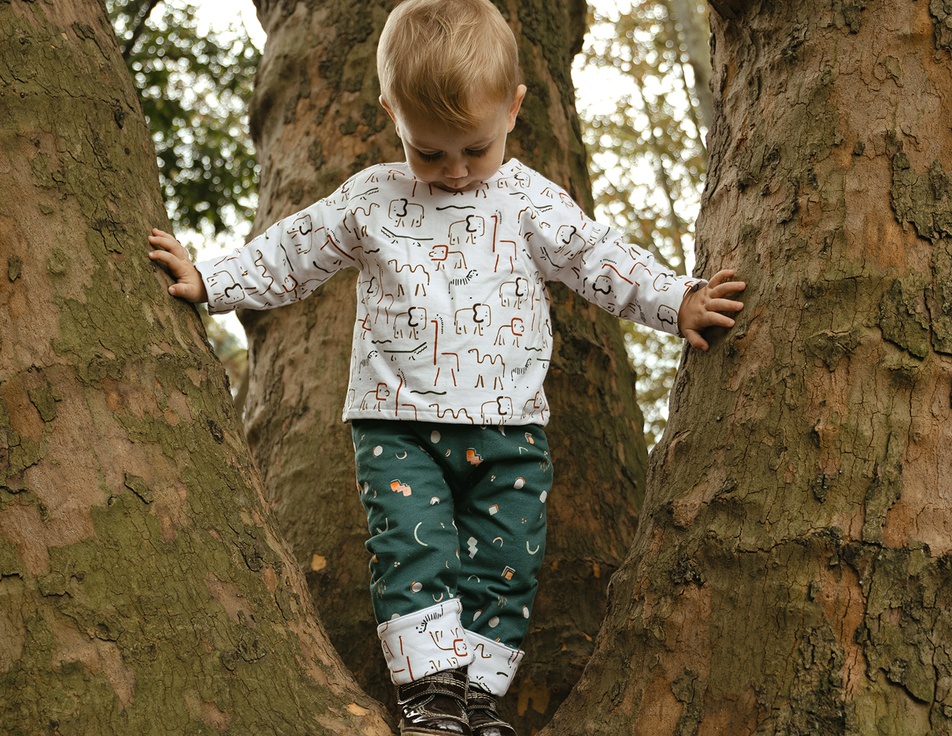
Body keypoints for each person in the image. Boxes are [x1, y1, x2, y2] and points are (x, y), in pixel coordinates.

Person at [148, 0, 745, 733]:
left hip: (511, 428)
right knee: (413, 552)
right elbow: (292, 252)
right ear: (391, 112)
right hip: (397, 425)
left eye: (475, 149)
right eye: (428, 153)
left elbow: (597, 258)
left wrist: (675, 300)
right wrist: (212, 280)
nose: (455, 171)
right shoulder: (374, 197)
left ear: (514, 111)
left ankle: (481, 697)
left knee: (508, 562)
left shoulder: (525, 198)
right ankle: (431, 696)